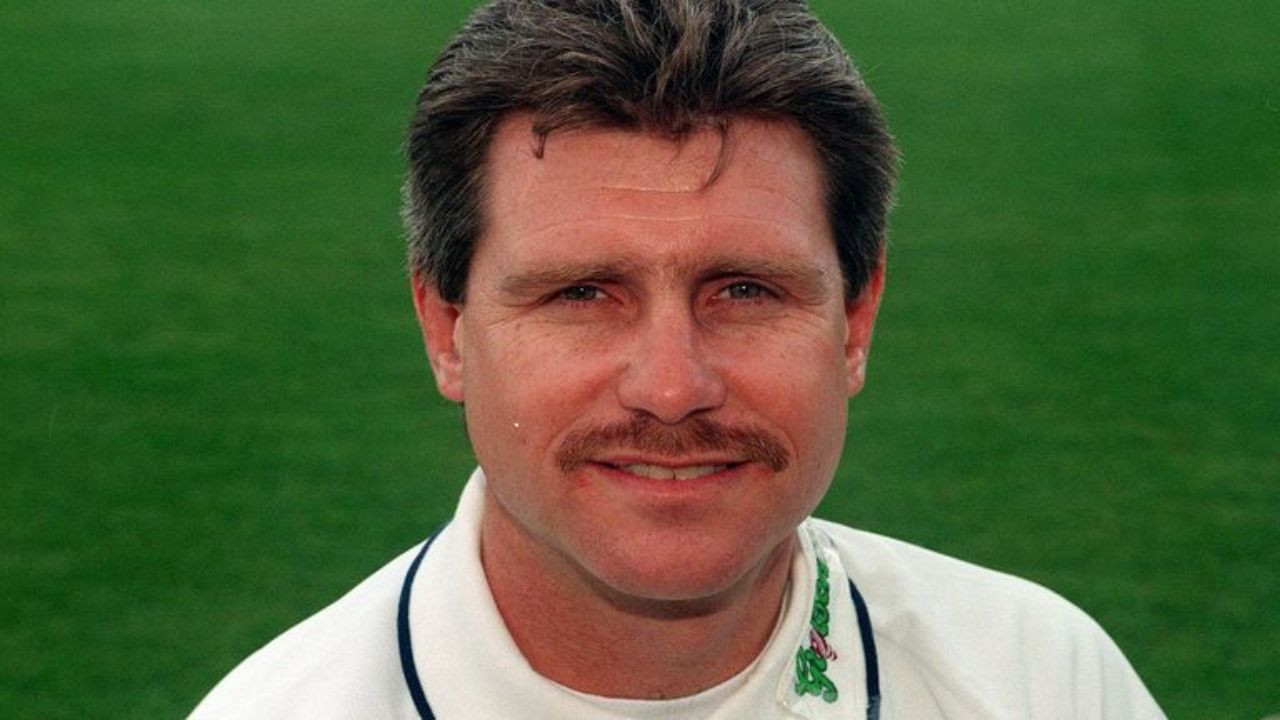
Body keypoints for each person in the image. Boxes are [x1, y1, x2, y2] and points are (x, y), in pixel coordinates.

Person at [190, 1, 1166, 717]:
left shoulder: (1043, 681)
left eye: (744, 291)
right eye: (582, 293)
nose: (670, 388)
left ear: (854, 322)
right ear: (446, 329)